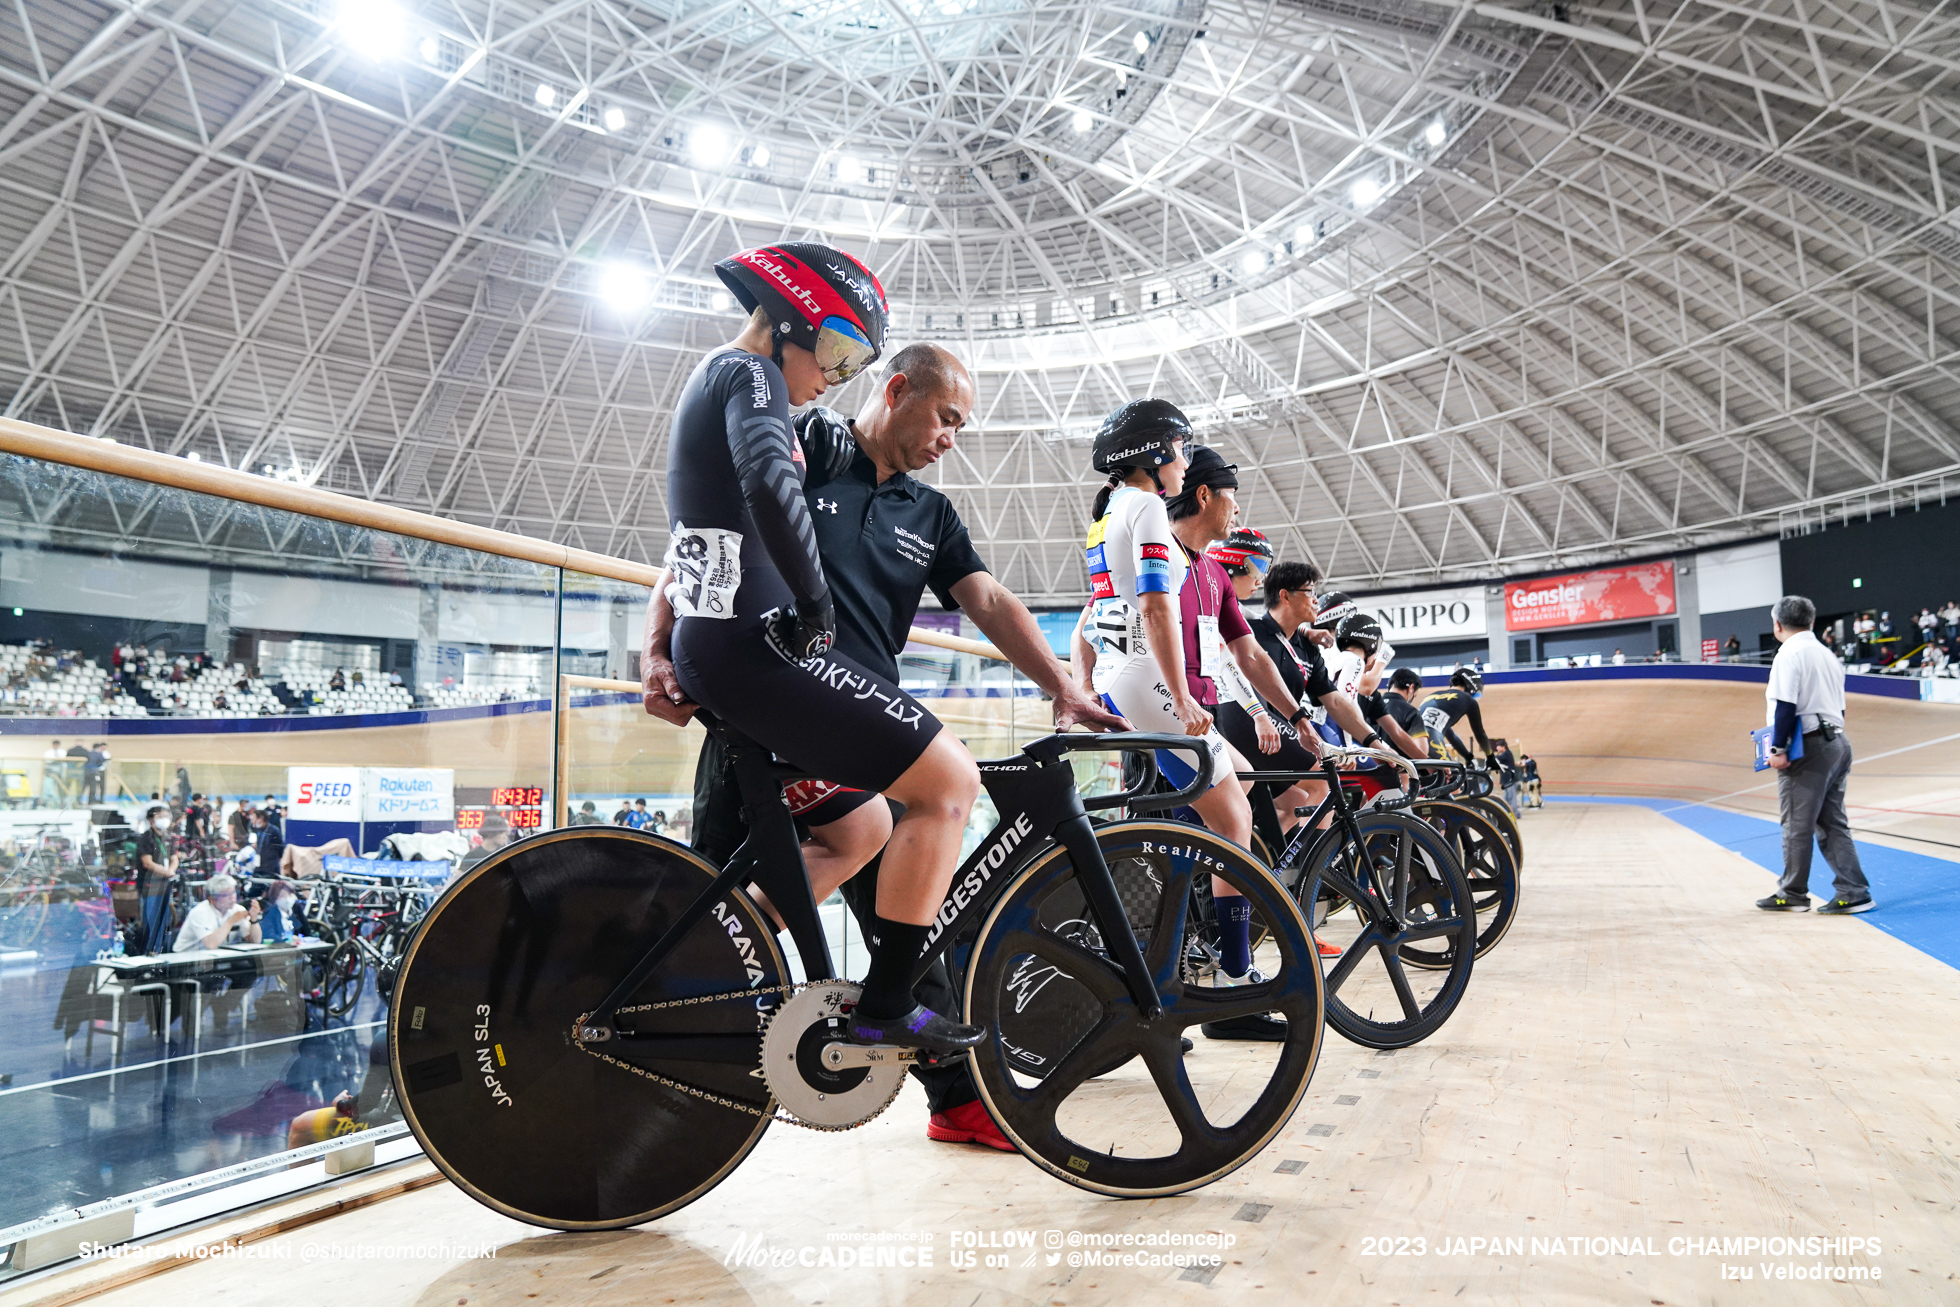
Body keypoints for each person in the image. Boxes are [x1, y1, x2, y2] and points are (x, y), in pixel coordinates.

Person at [649, 334, 1123, 1142]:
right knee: (711, 922)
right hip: (760, 721)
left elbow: (992, 601)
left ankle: (957, 1101)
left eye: (960, 428)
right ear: (896, 389)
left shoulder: (930, 513)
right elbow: (696, 544)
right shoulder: (812, 440)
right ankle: (657, 1095)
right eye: (946, 417)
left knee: (909, 929)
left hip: (859, 732)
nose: (950, 439)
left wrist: (1062, 687)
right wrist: (660, 647)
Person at [649, 240, 987, 1056]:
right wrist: (813, 603)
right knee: (950, 781)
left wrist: (666, 646)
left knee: (860, 828)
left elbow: (693, 539)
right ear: (792, 319)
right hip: (755, 646)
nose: (835, 376)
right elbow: (768, 481)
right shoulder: (752, 375)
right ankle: (889, 1007)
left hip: (725, 643)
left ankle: (709, 955)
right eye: (836, 351)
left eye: (854, 361)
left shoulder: (721, 379)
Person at [1757, 595, 1874, 915]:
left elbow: (1785, 705)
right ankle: (1854, 891)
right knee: (1832, 822)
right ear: (1811, 621)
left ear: (1777, 625)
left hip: (1807, 746)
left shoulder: (1789, 653)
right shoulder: (1827, 654)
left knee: (1796, 823)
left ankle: (1792, 892)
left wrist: (1778, 749)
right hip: (1836, 741)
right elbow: (1841, 706)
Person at [1418, 667, 1493, 766]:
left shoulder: (1431, 695)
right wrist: (1490, 756)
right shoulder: (1468, 700)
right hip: (1431, 739)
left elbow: (1451, 736)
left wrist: (1467, 756)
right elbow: (1480, 733)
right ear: (1471, 688)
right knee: (1451, 776)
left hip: (1413, 738)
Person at [133, 804, 179, 955]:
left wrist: (171, 870)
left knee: (164, 920)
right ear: (151, 820)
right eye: (160, 816)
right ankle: (149, 952)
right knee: (151, 921)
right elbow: (147, 862)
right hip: (150, 886)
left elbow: (174, 857)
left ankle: (161, 950)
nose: (164, 819)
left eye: (166, 816)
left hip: (165, 885)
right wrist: (165, 872)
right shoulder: (146, 838)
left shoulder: (167, 837)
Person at [251, 804, 285, 876]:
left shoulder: (273, 830)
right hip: (258, 866)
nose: (252, 821)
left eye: (254, 818)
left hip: (270, 867)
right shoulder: (256, 830)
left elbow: (280, 848)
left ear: (261, 819)